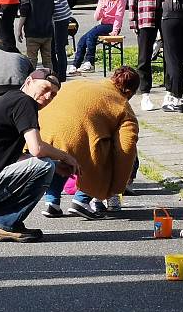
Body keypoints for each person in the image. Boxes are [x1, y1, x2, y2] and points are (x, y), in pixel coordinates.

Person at [0, 69, 80, 243]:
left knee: (46, 165)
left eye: (54, 95)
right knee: (44, 166)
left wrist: (57, 164)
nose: (49, 96)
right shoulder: (25, 102)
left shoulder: (10, 99)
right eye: (46, 88)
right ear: (28, 81)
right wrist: (65, 157)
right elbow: (37, 149)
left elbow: (17, 158)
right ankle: (5, 224)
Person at [39, 66, 139, 220]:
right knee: (106, 149)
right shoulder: (122, 105)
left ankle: (52, 203)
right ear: (130, 92)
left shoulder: (80, 83)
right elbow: (126, 148)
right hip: (76, 143)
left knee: (62, 157)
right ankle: (81, 201)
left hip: (44, 136)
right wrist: (117, 186)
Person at [67, 0, 126, 75]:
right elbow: (96, 18)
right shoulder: (102, 0)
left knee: (91, 36)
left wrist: (115, 31)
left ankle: (90, 62)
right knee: (82, 40)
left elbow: (119, 16)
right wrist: (101, 9)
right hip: (103, 25)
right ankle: (75, 65)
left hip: (112, 26)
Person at [16, 0, 54, 69]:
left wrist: (19, 29)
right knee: (48, 60)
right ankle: (50, 81)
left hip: (32, 32)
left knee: (32, 60)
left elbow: (24, 13)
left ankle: (32, 81)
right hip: (47, 32)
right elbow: (52, 11)